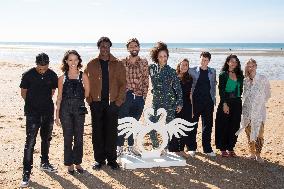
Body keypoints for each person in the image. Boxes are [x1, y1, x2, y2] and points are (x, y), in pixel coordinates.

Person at [84, 37, 126, 170]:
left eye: (107, 46)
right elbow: (85, 82)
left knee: (111, 133)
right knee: (97, 133)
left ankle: (112, 160)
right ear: (99, 47)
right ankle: (99, 160)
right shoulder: (91, 64)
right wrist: (89, 99)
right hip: (96, 103)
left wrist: (118, 102)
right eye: (102, 46)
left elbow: (123, 84)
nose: (105, 49)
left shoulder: (118, 64)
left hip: (112, 104)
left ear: (110, 48)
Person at [20, 53, 58, 188]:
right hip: (32, 113)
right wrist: (32, 103)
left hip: (47, 111)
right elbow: (23, 92)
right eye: (40, 67)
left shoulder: (52, 75)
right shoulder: (28, 75)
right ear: (36, 64)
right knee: (30, 142)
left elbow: (53, 91)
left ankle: (45, 163)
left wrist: (43, 103)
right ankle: (26, 172)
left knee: (46, 139)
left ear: (48, 64)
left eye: (45, 67)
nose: (43, 69)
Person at [55, 50, 89, 174]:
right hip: (65, 109)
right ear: (66, 61)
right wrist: (57, 115)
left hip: (79, 108)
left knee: (79, 137)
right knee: (68, 137)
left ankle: (78, 163)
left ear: (79, 61)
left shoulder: (83, 76)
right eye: (70, 60)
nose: (73, 62)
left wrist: (78, 101)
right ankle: (69, 164)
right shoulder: (62, 78)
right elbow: (59, 97)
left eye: (75, 59)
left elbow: (87, 92)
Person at [116, 38, 149, 156]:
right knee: (123, 122)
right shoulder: (122, 62)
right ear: (128, 49)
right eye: (131, 46)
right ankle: (119, 148)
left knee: (133, 124)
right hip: (126, 96)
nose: (134, 48)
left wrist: (144, 97)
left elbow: (146, 80)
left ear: (139, 47)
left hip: (139, 97)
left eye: (136, 46)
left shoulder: (144, 62)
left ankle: (130, 147)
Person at [149, 42, 183, 149]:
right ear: (156, 57)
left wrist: (179, 103)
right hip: (156, 102)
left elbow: (178, 88)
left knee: (168, 127)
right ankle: (156, 147)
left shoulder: (172, 71)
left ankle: (165, 148)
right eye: (160, 56)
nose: (163, 58)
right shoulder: (152, 69)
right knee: (151, 125)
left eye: (165, 56)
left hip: (170, 102)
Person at [236, 58, 271, 163]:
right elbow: (243, 94)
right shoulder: (245, 80)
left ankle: (258, 155)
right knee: (249, 132)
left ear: (256, 66)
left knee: (259, 134)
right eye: (249, 66)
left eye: (252, 66)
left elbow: (268, 93)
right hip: (247, 111)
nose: (250, 68)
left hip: (259, 111)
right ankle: (252, 153)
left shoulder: (262, 78)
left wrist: (259, 103)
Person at [188, 52, 217, 157]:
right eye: (202, 59)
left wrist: (213, 99)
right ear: (199, 59)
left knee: (207, 126)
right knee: (193, 125)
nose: (204, 61)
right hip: (195, 102)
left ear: (209, 61)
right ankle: (191, 148)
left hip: (208, 102)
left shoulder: (212, 71)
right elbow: (181, 71)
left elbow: (213, 85)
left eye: (206, 60)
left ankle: (207, 148)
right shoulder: (192, 70)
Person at [215, 54, 244, 157]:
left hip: (237, 102)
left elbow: (240, 90)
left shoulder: (240, 75)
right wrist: (224, 103)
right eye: (231, 61)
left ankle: (231, 147)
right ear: (227, 62)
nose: (233, 63)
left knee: (235, 125)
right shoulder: (223, 74)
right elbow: (221, 90)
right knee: (223, 125)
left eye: (235, 62)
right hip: (226, 102)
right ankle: (222, 148)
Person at [168, 59, 193, 158]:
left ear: (188, 67)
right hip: (174, 105)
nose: (184, 67)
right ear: (179, 66)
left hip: (186, 105)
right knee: (174, 127)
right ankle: (173, 149)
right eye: (182, 65)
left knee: (183, 128)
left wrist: (192, 109)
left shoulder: (189, 78)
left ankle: (181, 149)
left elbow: (190, 94)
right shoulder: (173, 77)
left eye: (186, 65)